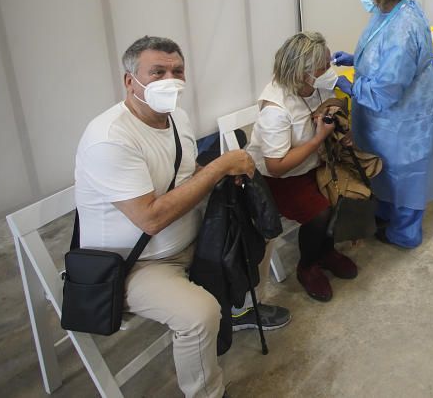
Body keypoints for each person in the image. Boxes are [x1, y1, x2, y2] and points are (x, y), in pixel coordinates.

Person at [74, 36, 289, 398]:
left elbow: (186, 177)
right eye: (157, 72)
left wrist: (223, 177)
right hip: (137, 264)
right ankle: (207, 392)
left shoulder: (178, 118)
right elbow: (150, 219)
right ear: (130, 81)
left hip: (192, 238)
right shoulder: (109, 138)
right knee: (199, 314)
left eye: (177, 71)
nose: (169, 80)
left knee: (259, 233)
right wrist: (220, 166)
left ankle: (237, 312)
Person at [331, 0, 433, 249]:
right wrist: (357, 59)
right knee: (387, 170)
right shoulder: (395, 10)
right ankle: (385, 214)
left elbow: (387, 90)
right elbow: (384, 58)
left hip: (406, 118)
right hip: (394, 116)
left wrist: (349, 84)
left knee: (406, 174)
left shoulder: (403, 29)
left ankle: (404, 234)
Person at [245, 32, 359, 302]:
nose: (328, 70)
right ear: (302, 73)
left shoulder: (315, 86)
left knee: (346, 192)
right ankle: (307, 266)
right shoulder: (276, 109)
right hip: (278, 178)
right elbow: (276, 167)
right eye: (323, 66)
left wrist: (341, 132)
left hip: (311, 163)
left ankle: (326, 250)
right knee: (320, 212)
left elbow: (327, 113)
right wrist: (319, 137)